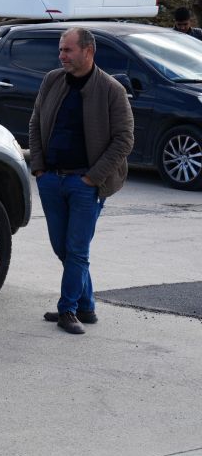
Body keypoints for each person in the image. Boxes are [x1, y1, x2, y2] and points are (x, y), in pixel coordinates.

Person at [29, 27, 134, 335]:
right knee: (63, 248)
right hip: (51, 180)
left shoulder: (111, 90)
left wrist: (92, 178)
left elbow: (124, 140)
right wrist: (39, 169)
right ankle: (86, 305)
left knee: (77, 250)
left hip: (85, 185)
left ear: (88, 51)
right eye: (61, 50)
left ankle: (68, 310)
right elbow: (35, 122)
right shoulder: (52, 80)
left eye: (68, 50)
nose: (61, 55)